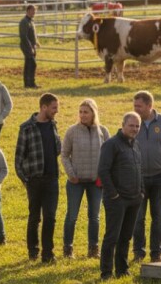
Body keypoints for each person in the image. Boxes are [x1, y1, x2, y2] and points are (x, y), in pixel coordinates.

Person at [15, 93, 62, 263]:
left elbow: (57, 149)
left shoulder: (53, 125)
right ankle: (33, 251)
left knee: (50, 217)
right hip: (34, 180)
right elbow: (18, 158)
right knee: (35, 217)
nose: (56, 111)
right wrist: (26, 180)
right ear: (44, 107)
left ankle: (48, 254)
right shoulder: (26, 127)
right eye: (54, 108)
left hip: (52, 179)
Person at [132, 91, 161, 263]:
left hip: (160, 178)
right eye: (134, 106)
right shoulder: (132, 121)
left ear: (149, 106)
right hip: (138, 179)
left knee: (158, 217)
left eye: (139, 106)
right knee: (138, 218)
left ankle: (156, 253)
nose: (136, 109)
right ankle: (138, 252)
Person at [61, 99, 110, 259]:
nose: (82, 115)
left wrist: (103, 176)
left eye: (86, 112)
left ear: (93, 113)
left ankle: (93, 249)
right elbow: (64, 155)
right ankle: (68, 249)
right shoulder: (72, 131)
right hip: (76, 182)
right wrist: (71, 174)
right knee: (72, 216)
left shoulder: (103, 131)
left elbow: (108, 157)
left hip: (96, 183)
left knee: (94, 217)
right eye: (80, 112)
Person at [98, 112, 144, 280]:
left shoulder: (136, 144)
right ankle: (106, 272)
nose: (134, 129)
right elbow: (103, 171)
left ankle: (122, 269)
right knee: (112, 237)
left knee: (126, 236)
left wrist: (141, 192)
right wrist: (114, 195)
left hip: (134, 198)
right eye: (131, 125)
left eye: (137, 126)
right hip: (117, 200)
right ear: (123, 125)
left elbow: (140, 169)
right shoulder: (111, 145)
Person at [19, 4, 39, 88]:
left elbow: (32, 33)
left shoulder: (31, 21)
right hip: (27, 46)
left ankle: (28, 83)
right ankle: (30, 83)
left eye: (35, 11)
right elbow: (24, 36)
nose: (34, 12)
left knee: (29, 64)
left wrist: (36, 42)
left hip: (31, 46)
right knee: (32, 64)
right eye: (32, 10)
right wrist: (30, 47)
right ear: (28, 11)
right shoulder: (24, 22)